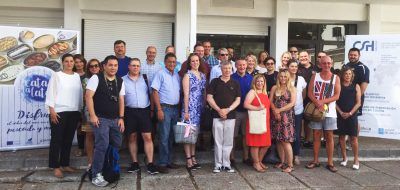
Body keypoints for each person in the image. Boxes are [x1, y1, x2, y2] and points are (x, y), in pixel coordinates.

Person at [86, 55, 126, 187]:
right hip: (100, 118)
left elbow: (121, 100)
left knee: (117, 143)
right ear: (104, 66)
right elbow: (88, 96)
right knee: (102, 144)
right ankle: (96, 174)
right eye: (110, 65)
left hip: (115, 119)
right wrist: (92, 115)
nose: (113, 67)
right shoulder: (96, 78)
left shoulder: (120, 80)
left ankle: (108, 167)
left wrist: (121, 118)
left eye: (115, 65)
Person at [45, 53, 83, 178]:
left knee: (68, 140)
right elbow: (51, 92)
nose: (69, 63)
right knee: (57, 140)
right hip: (59, 112)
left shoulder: (77, 76)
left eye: (71, 61)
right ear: (63, 63)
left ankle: (65, 164)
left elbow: (80, 95)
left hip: (74, 112)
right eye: (66, 61)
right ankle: (55, 166)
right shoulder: (57, 75)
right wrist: (52, 111)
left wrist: (80, 112)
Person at [122, 58, 158, 175]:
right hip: (130, 112)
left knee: (147, 137)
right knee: (132, 137)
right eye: (133, 65)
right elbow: (121, 99)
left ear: (140, 67)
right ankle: (135, 163)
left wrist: (152, 109)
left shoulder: (146, 78)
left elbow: (152, 94)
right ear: (129, 67)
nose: (135, 67)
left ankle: (151, 164)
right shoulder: (122, 80)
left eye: (137, 65)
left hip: (144, 111)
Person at [305, 56, 341, 173]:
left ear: (332, 64)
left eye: (329, 63)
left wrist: (322, 102)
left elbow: (336, 95)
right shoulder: (315, 76)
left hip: (329, 112)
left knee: (329, 137)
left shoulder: (336, 78)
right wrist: (317, 103)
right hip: (316, 111)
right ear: (320, 64)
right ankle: (315, 160)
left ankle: (330, 162)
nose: (327, 65)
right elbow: (309, 92)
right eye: (324, 63)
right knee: (316, 135)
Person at [207, 60, 241, 173]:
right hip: (216, 115)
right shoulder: (215, 82)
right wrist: (219, 110)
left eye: (229, 68)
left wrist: (228, 109)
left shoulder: (235, 83)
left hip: (230, 116)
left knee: (228, 141)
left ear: (232, 70)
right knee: (218, 141)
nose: (227, 70)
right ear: (221, 69)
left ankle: (226, 164)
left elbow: (238, 99)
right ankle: (217, 165)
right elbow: (209, 97)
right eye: (224, 68)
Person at [151, 53, 181, 174]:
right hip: (164, 109)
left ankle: (169, 161)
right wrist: (158, 109)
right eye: (169, 62)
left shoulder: (177, 75)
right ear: (165, 62)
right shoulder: (160, 74)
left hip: (175, 109)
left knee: (171, 137)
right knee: (163, 136)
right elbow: (154, 91)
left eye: (174, 62)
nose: (172, 64)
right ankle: (162, 163)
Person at [181, 53, 207, 170]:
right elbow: (186, 94)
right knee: (188, 135)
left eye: (197, 61)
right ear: (189, 63)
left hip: (199, 108)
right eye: (193, 61)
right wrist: (186, 111)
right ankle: (188, 159)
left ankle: (193, 156)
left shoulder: (202, 75)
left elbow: (204, 92)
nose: (195, 63)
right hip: (189, 108)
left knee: (194, 135)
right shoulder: (187, 75)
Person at [269, 69, 296, 173]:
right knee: (278, 140)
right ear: (278, 77)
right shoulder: (275, 88)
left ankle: (290, 165)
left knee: (285, 141)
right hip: (276, 116)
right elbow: (270, 101)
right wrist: (275, 112)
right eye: (281, 76)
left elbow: (292, 103)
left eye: (285, 76)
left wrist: (279, 110)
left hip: (286, 117)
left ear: (288, 77)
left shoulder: (292, 88)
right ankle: (283, 162)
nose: (283, 78)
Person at [335, 67, 361, 170]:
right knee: (341, 137)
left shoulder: (356, 86)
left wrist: (350, 113)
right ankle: (344, 158)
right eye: (346, 74)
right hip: (340, 115)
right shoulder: (338, 85)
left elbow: (358, 103)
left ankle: (356, 159)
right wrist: (341, 112)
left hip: (352, 115)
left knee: (353, 138)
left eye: (349, 74)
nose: (348, 75)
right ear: (343, 74)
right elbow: (335, 101)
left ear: (352, 75)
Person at [243, 74, 271, 172]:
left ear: (264, 83)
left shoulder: (264, 92)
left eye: (261, 81)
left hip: (264, 121)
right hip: (255, 122)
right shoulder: (252, 92)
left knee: (266, 144)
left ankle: (259, 161)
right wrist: (257, 108)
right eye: (258, 81)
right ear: (254, 82)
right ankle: (256, 163)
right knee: (255, 144)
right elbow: (245, 104)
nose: (260, 83)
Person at [231, 58, 253, 166]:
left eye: (244, 65)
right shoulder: (231, 78)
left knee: (245, 135)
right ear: (236, 66)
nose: (242, 67)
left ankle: (246, 157)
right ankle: (232, 158)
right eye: (240, 65)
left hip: (247, 112)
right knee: (233, 136)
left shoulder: (251, 78)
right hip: (235, 111)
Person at [81, 59, 102, 171]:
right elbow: (86, 97)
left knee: (101, 136)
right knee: (90, 135)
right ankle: (90, 162)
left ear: (100, 67)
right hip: (89, 111)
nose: (94, 68)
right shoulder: (86, 80)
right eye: (91, 66)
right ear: (88, 68)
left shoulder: (104, 78)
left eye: (96, 66)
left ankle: (100, 161)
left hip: (103, 111)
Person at [287, 60, 307, 165]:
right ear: (288, 67)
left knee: (297, 134)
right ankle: (287, 156)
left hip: (298, 110)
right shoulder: (284, 78)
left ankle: (296, 155)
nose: (294, 68)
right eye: (292, 66)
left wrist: (298, 102)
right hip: (286, 111)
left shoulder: (301, 79)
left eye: (295, 66)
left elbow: (304, 93)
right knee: (287, 134)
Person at [296, 50, 315, 148]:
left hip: (311, 98)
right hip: (298, 98)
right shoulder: (297, 68)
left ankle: (307, 140)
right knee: (298, 119)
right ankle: (298, 139)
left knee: (308, 120)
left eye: (305, 56)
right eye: (301, 57)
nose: (303, 58)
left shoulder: (315, 68)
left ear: (309, 57)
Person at [343, 48, 369, 117]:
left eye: (355, 55)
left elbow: (363, 88)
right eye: (351, 55)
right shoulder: (345, 66)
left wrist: (354, 100)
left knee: (354, 120)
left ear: (359, 56)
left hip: (355, 100)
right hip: (343, 99)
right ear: (348, 55)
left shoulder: (363, 68)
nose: (353, 56)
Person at [73, 54, 87, 157]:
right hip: (75, 103)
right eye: (76, 62)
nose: (79, 64)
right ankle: (80, 148)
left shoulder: (88, 75)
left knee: (89, 127)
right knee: (79, 127)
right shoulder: (72, 75)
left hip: (87, 104)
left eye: (80, 62)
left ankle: (89, 147)